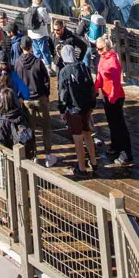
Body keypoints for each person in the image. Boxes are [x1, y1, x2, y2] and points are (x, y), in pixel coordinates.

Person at [58, 44, 98, 178]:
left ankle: (81, 168)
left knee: (78, 139)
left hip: (73, 109)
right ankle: (94, 161)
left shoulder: (64, 72)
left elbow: (62, 94)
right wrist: (92, 105)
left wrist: (62, 110)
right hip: (86, 107)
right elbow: (91, 86)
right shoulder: (84, 67)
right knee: (87, 134)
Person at [14, 36, 56, 164]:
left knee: (31, 129)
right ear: (31, 47)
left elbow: (16, 83)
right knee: (46, 127)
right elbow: (46, 80)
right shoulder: (38, 62)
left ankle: (34, 155)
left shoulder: (17, 63)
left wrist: (19, 96)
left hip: (26, 100)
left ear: (21, 47)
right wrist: (46, 95)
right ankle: (48, 155)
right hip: (40, 98)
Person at [95, 36, 133, 167]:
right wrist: (96, 87)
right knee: (112, 123)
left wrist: (112, 96)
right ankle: (115, 146)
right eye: (97, 49)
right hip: (106, 94)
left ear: (106, 48)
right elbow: (99, 74)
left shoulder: (113, 61)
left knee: (120, 125)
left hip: (115, 96)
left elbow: (116, 83)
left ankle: (127, 154)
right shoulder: (103, 58)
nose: (98, 51)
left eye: (100, 49)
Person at [0, 57, 29, 140]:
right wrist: (21, 98)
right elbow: (26, 92)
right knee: (14, 139)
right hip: (14, 115)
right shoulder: (14, 75)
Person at [0, 87, 36, 158]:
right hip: (26, 153)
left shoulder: (3, 122)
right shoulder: (22, 113)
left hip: (12, 156)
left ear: (0, 103)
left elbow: (0, 142)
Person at [26, 0, 52, 67]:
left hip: (31, 34)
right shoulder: (41, 10)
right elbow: (48, 21)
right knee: (44, 51)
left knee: (36, 51)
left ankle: (38, 65)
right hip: (41, 34)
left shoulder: (28, 9)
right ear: (41, 2)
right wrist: (47, 13)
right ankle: (48, 66)